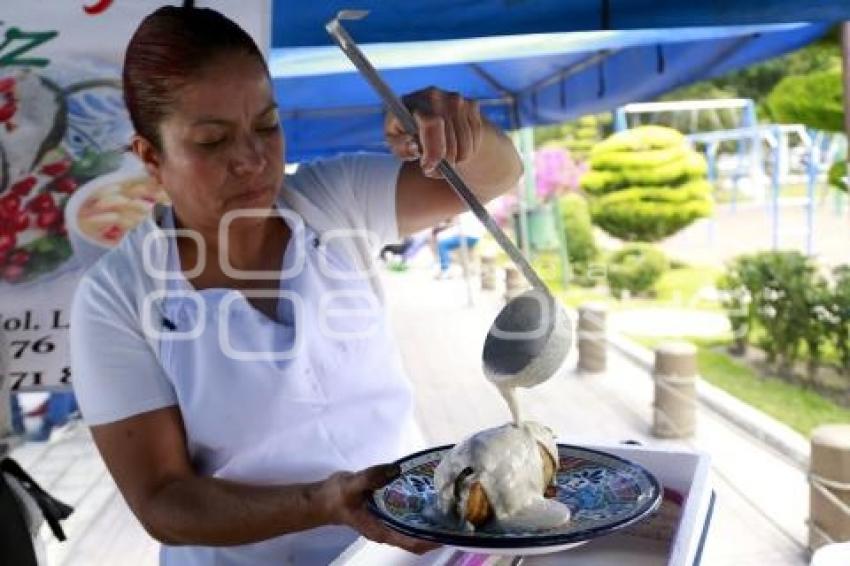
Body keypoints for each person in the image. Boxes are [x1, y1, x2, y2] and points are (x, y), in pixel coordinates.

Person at [68, 3, 522, 566]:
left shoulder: (331, 201)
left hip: (410, 547)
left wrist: (458, 135)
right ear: (151, 157)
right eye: (212, 141)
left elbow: (499, 175)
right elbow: (163, 500)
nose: (253, 159)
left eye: (266, 125)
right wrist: (326, 503)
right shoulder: (117, 297)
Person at [433, 211, 485, 278]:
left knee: (442, 243)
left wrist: (443, 228)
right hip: (476, 236)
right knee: (443, 239)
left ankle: (445, 268)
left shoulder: (460, 210)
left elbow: (455, 225)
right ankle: (447, 266)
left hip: (467, 236)